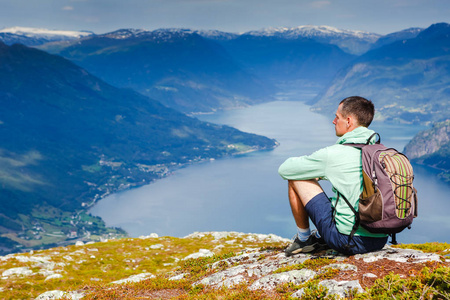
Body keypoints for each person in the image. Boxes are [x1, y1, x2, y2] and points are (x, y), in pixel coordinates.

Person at [278, 96, 388, 256]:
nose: (333, 121)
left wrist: (315, 173)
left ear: (349, 121)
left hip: (347, 241)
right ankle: (321, 236)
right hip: (380, 238)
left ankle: (304, 239)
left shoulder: (335, 154)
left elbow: (285, 169)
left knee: (297, 176)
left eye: (337, 117)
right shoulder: (379, 151)